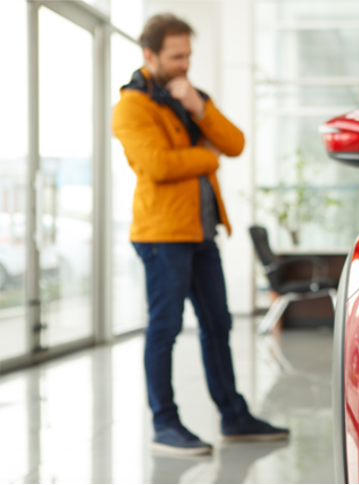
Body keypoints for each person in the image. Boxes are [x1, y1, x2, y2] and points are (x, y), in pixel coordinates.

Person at [112, 13, 288, 456]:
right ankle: (164, 424)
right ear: (149, 54)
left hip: (200, 233)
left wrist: (199, 107)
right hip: (162, 235)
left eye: (188, 55)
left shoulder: (189, 96)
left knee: (218, 325)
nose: (184, 64)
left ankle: (234, 416)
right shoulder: (132, 107)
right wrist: (204, 157)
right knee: (165, 328)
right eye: (176, 57)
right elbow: (157, 166)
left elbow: (235, 143)